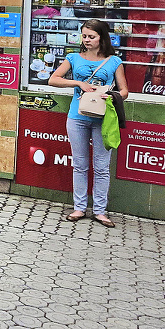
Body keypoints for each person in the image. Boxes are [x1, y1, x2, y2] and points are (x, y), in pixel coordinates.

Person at [48, 19, 128, 228]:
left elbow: (125, 91)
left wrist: (112, 96)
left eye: (91, 36)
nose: (86, 40)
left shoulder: (114, 61)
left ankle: (100, 211)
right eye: (84, 36)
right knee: (80, 165)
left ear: (102, 37)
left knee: (102, 167)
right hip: (77, 117)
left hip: (103, 119)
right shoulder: (73, 57)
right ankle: (79, 208)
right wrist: (77, 82)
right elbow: (53, 79)